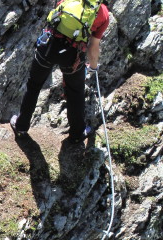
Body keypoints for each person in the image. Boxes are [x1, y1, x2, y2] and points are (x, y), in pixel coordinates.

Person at [10, 0, 110, 143]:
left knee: (34, 86)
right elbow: (93, 46)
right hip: (72, 56)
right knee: (75, 92)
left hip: (48, 47)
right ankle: (77, 134)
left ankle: (21, 126)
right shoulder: (103, 14)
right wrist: (93, 66)